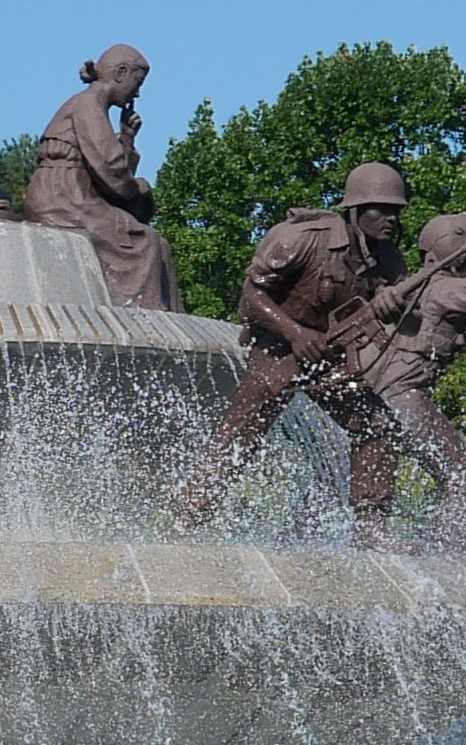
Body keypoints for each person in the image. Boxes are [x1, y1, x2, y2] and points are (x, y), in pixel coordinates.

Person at [170, 160, 417, 540]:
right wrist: (296, 333)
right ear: (355, 210)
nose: (391, 219)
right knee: (241, 433)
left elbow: (406, 319)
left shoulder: (391, 259)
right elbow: (251, 296)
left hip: (331, 358)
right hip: (279, 350)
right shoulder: (302, 239)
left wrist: (393, 306)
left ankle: (371, 527)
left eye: (395, 212)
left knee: (378, 425)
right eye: (381, 210)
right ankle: (186, 520)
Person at [360, 213, 466, 545]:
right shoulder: (443, 290)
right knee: (463, 479)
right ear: (460, 255)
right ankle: (448, 558)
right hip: (404, 397)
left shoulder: (416, 287)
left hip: (383, 396)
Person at [21, 43, 177, 310]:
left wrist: (126, 138)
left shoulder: (93, 106)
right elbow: (110, 168)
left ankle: (161, 314)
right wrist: (137, 189)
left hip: (77, 195)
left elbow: (108, 168)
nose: (137, 93)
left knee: (159, 244)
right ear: (121, 73)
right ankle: (138, 312)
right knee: (144, 242)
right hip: (63, 198)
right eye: (137, 83)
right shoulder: (87, 104)